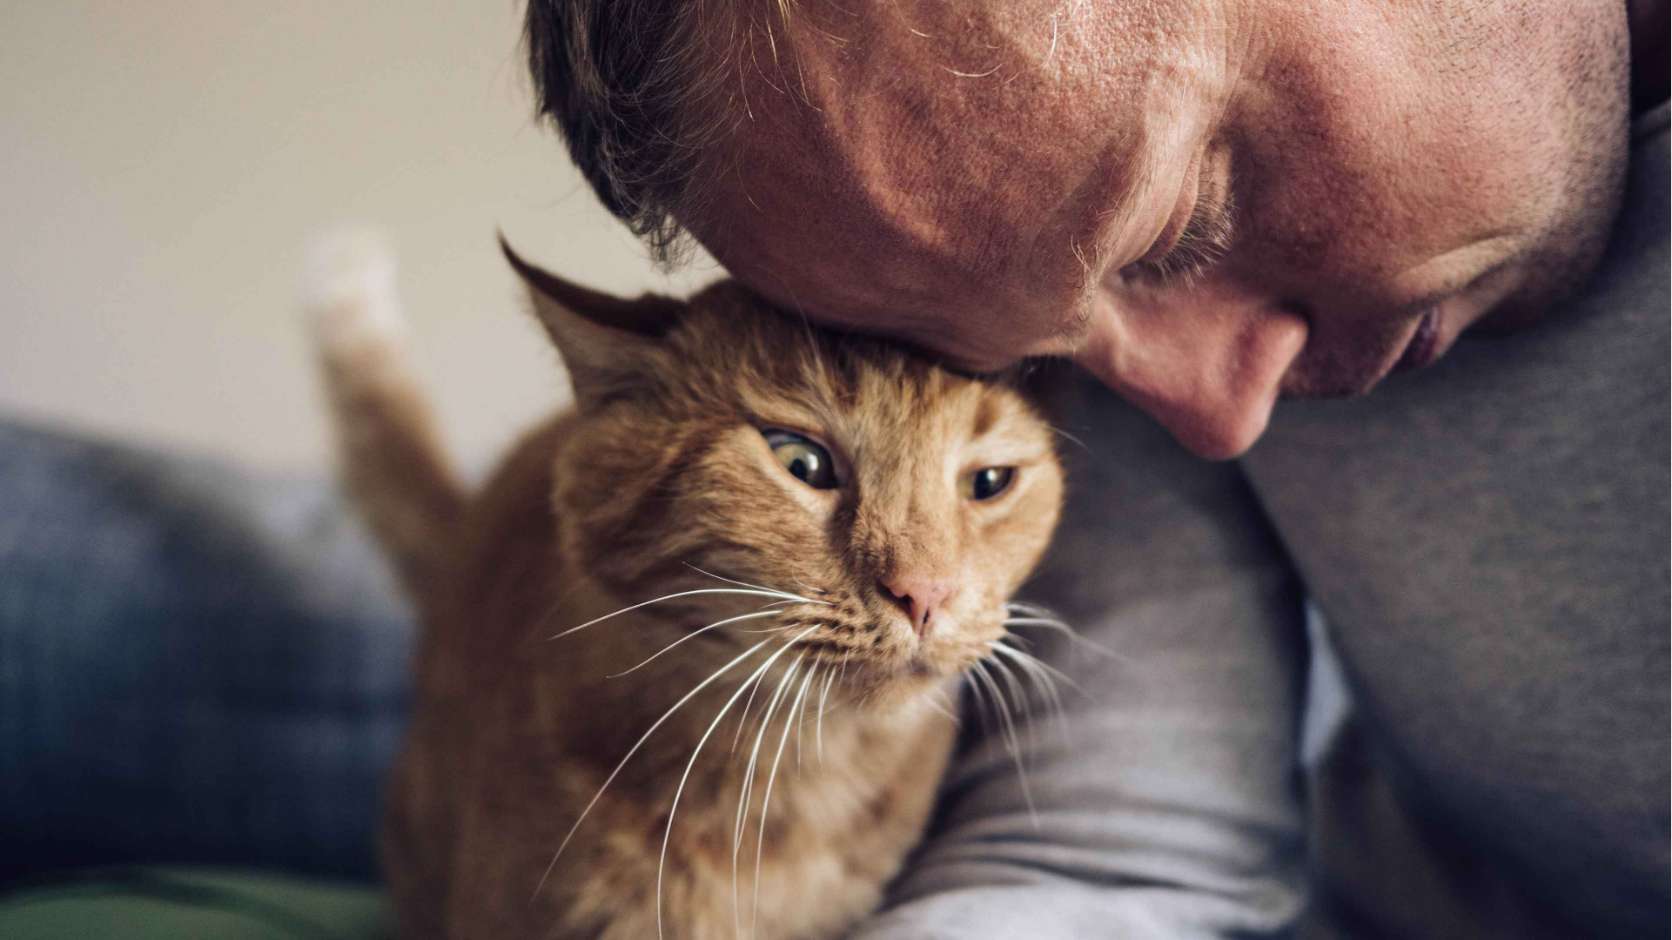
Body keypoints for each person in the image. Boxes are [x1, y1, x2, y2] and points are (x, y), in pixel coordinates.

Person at [521, 0, 1669, 936]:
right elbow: (1111, 851)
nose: (1214, 418)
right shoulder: (1138, 365)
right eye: (1037, 357)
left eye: (1182, 231)